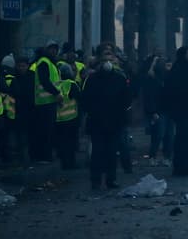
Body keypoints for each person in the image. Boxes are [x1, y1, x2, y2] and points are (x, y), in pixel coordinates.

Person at [82, 47, 132, 192]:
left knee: (111, 153)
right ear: (99, 61)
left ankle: (111, 179)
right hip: (97, 122)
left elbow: (127, 99)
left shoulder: (120, 78)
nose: (108, 63)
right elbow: (85, 100)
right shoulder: (92, 79)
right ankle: (96, 180)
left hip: (115, 122)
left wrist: (121, 114)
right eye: (105, 60)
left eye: (110, 60)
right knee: (97, 153)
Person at [164, 46, 188, 176]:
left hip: (186, 107)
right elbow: (174, 89)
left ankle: (184, 165)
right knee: (182, 138)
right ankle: (181, 166)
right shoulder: (178, 70)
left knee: (184, 138)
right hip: (181, 108)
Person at [53, 62, 81, 170]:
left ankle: (64, 164)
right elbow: (79, 98)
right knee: (71, 143)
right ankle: (71, 164)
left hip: (58, 119)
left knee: (61, 142)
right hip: (71, 118)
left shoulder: (56, 84)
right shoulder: (72, 84)